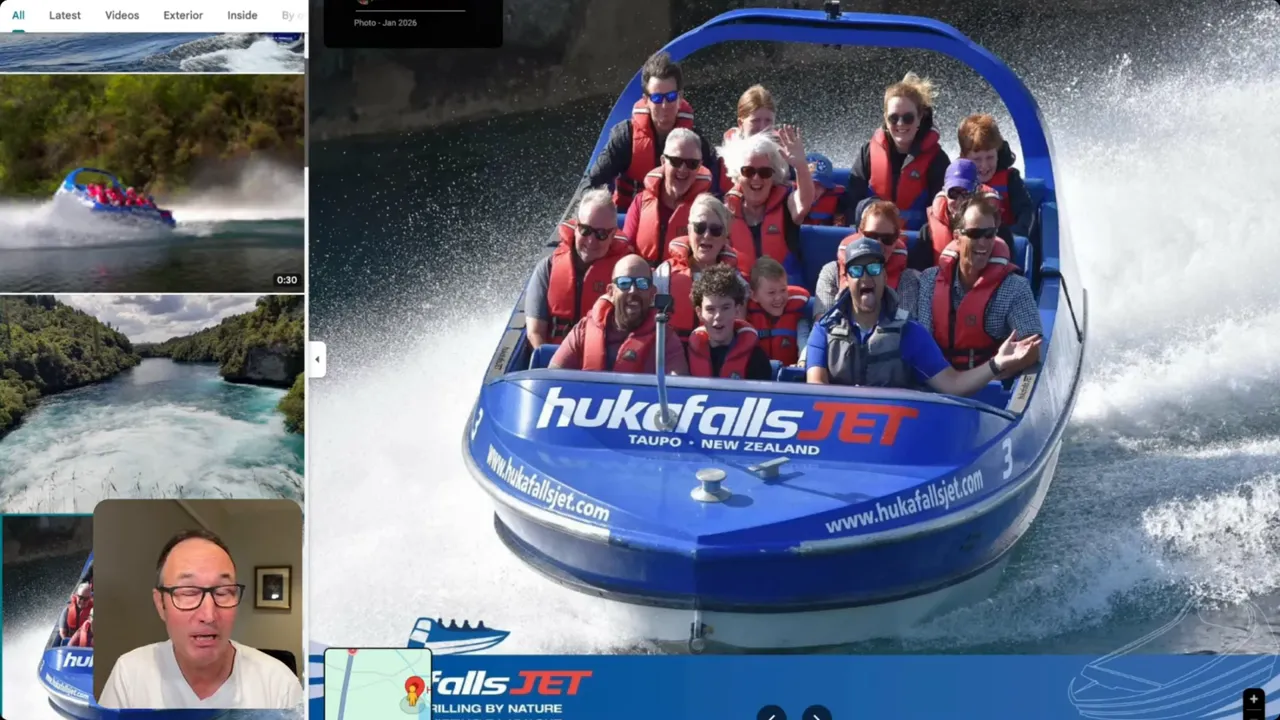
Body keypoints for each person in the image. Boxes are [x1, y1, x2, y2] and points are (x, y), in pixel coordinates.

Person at [98, 529, 302, 710]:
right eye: (188, 592)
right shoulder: (129, 674)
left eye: (223, 592)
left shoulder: (279, 686)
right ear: (161, 604)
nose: (209, 615)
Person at [805, 237, 1040, 392]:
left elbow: (953, 384)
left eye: (874, 269)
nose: (866, 277)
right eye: (857, 270)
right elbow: (816, 390)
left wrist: (996, 363)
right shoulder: (823, 330)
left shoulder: (909, 333)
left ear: (885, 277)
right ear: (848, 279)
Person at [916, 195, 1043, 371]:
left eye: (989, 234)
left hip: (993, 384)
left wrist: (996, 374)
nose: (983, 243)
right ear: (957, 237)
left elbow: (1032, 349)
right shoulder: (929, 280)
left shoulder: (1015, 287)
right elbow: (922, 345)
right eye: (975, 234)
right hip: (938, 381)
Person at [583, 52, 719, 211]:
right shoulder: (625, 137)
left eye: (671, 96)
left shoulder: (696, 142)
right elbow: (590, 185)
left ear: (680, 97)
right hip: (628, 221)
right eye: (657, 98)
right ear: (646, 100)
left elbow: (717, 191)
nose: (664, 106)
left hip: (680, 226)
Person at [525, 189, 635, 348]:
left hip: (601, 364)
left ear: (612, 236)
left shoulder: (625, 277)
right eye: (586, 230)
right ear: (576, 227)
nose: (591, 241)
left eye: (601, 234)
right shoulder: (547, 268)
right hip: (553, 362)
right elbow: (535, 333)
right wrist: (553, 370)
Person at [549, 254, 689, 374]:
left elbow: (679, 391)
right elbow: (552, 377)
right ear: (611, 292)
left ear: (652, 293)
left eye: (642, 283)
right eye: (624, 283)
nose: (633, 290)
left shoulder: (666, 339)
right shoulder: (583, 331)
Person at [848, 72, 951, 231]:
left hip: (918, 242)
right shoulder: (867, 152)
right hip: (873, 240)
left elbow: (944, 208)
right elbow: (851, 201)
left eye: (908, 118)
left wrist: (931, 228)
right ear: (885, 118)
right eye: (893, 118)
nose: (900, 124)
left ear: (919, 117)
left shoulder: (937, 159)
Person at [720, 127, 813, 287]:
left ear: (774, 175)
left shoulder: (786, 203)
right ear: (737, 175)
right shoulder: (724, 210)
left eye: (764, 172)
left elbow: (803, 204)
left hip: (781, 296)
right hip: (742, 298)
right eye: (748, 171)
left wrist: (800, 166)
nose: (756, 178)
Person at [653, 193, 749, 342]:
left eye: (715, 230)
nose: (707, 235)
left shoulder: (737, 282)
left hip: (714, 358)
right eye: (700, 227)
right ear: (689, 230)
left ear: (725, 237)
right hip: (672, 356)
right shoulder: (663, 275)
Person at [623, 128, 713, 264]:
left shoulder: (709, 210)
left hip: (688, 282)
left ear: (700, 166)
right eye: (676, 161)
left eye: (692, 164)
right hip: (643, 281)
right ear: (663, 161)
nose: (683, 169)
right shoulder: (640, 202)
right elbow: (625, 251)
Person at [815, 200, 919, 314]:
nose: (879, 245)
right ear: (860, 233)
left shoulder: (907, 280)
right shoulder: (831, 272)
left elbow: (904, 326)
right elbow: (823, 323)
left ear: (896, 239)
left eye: (887, 239)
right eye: (871, 237)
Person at [686, 264, 775, 380]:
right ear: (699, 312)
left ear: (737, 309)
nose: (718, 316)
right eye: (710, 309)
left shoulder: (756, 358)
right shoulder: (685, 356)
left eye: (725, 308)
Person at [957, 113, 1034, 237]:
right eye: (977, 159)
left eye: (990, 157)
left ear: (998, 153)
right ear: (964, 157)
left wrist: (1013, 237)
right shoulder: (957, 182)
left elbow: (1025, 213)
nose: (984, 165)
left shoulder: (1010, 179)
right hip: (969, 245)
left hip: (1007, 244)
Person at [919, 159, 1003, 267]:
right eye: (953, 193)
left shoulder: (995, 229)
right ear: (944, 192)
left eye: (966, 193)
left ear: (978, 191)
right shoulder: (927, 232)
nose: (959, 201)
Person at [746, 256, 815, 367]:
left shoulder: (799, 312)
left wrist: (802, 362)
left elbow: (804, 340)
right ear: (754, 295)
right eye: (771, 292)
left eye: (783, 290)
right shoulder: (746, 317)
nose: (779, 298)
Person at [718, 85, 777, 192]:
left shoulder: (786, 154)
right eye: (755, 120)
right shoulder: (721, 160)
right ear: (740, 123)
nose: (762, 128)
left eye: (768, 121)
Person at [802, 152, 854, 226]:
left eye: (819, 186)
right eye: (809, 184)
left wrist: (838, 223)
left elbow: (839, 228)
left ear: (826, 188)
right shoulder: (789, 198)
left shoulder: (840, 201)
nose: (813, 190)